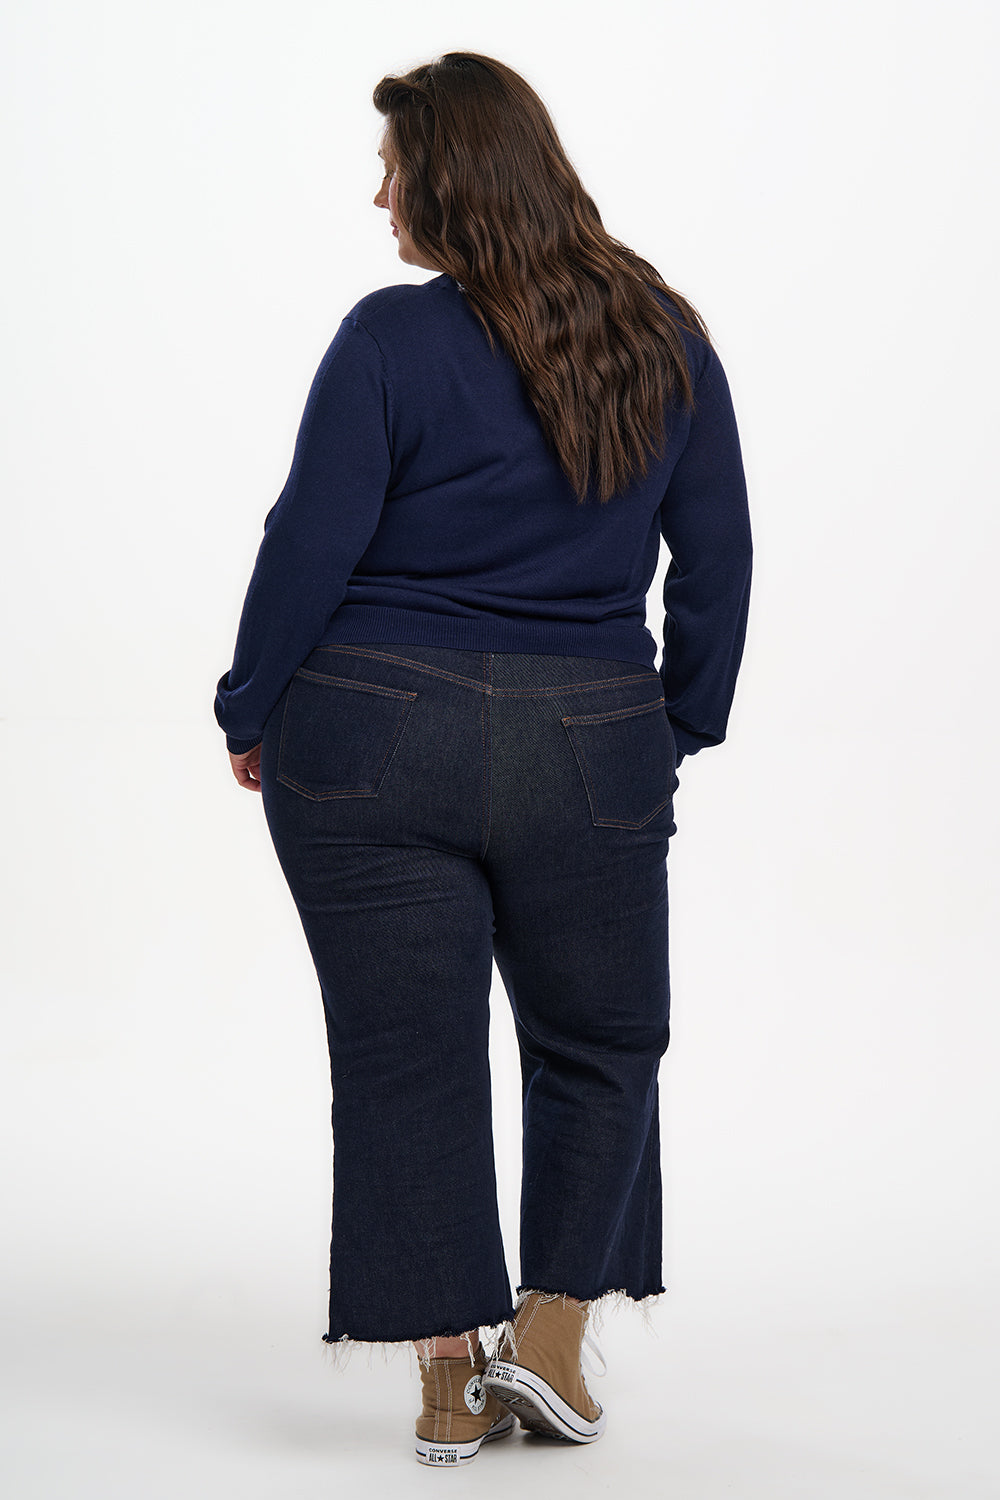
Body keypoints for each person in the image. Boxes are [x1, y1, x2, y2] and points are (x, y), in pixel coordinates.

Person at [214, 51, 752, 1468]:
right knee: (602, 1040)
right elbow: (718, 566)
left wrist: (250, 706)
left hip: (369, 726)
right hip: (591, 732)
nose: (378, 192)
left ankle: (452, 1374)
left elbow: (308, 541)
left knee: (409, 1055)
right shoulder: (663, 335)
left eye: (394, 166)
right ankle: (557, 1341)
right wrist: (669, 731)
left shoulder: (389, 340)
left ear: (452, 182)